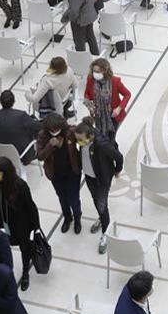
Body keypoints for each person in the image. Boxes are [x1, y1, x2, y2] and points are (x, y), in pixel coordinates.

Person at [0, 156, 40, 291]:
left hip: (21, 225)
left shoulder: (20, 186)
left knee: (24, 248)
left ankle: (25, 273)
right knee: (6, 245)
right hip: (5, 223)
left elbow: (31, 207)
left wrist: (37, 227)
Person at [74, 118, 122, 248]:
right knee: (96, 200)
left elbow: (118, 156)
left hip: (102, 178)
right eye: (77, 139)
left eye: (81, 140)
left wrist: (117, 170)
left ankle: (106, 232)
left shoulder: (102, 144)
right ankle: (102, 219)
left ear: (90, 136)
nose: (79, 143)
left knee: (101, 204)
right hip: (90, 176)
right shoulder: (83, 139)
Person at [36, 113, 83, 234]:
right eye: (52, 130)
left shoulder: (70, 132)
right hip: (55, 173)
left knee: (73, 198)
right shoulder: (43, 136)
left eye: (57, 129)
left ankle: (77, 217)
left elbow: (83, 135)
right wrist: (50, 146)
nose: (54, 132)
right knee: (62, 198)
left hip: (72, 171)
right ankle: (67, 217)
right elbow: (40, 156)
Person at [85, 58, 132, 137]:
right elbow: (87, 93)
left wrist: (119, 108)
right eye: (94, 71)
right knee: (100, 136)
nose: (95, 74)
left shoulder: (115, 81)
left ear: (105, 70)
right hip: (98, 115)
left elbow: (127, 94)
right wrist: (89, 105)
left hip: (112, 115)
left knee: (111, 138)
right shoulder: (90, 79)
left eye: (97, 71)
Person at [0, 90, 41, 161]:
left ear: (1, 102)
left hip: (1, 153)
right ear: (13, 102)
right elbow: (38, 126)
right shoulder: (21, 115)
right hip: (21, 154)